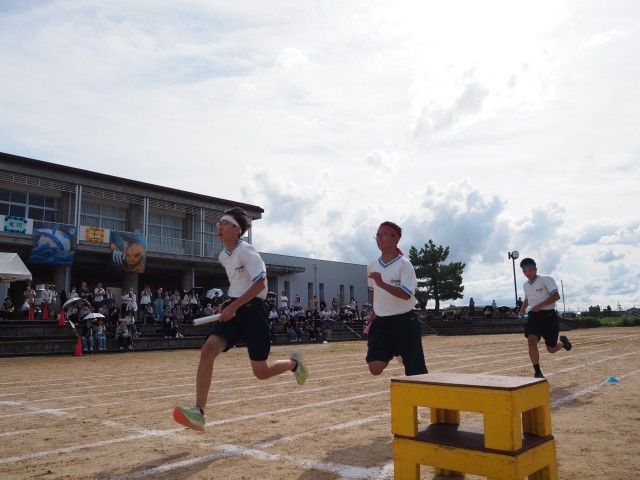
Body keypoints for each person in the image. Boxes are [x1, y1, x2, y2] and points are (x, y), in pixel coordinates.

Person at [173, 206, 308, 432]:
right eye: (219, 223)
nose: (219, 226)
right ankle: (199, 412)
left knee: (261, 372)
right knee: (208, 350)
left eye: (224, 223)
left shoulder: (247, 251)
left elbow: (260, 284)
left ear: (237, 230)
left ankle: (294, 364)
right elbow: (239, 285)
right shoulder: (223, 256)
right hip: (234, 310)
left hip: (254, 312)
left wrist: (235, 305)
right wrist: (229, 302)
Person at [365, 221, 428, 376]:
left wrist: (382, 283)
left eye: (383, 234)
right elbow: (373, 290)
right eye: (377, 235)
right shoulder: (372, 265)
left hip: (405, 321)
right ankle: (396, 351)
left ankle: (400, 351)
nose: (379, 238)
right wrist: (374, 311)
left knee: (416, 373)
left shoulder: (404, 264)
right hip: (382, 322)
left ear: (396, 239)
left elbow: (406, 294)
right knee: (374, 368)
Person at [518, 257, 572, 378]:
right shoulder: (525, 285)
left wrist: (540, 306)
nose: (527, 273)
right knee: (531, 340)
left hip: (549, 316)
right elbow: (527, 299)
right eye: (524, 271)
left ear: (535, 269)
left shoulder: (546, 279)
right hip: (534, 316)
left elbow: (556, 296)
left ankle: (563, 343)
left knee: (551, 349)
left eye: (529, 270)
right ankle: (537, 372)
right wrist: (522, 310)